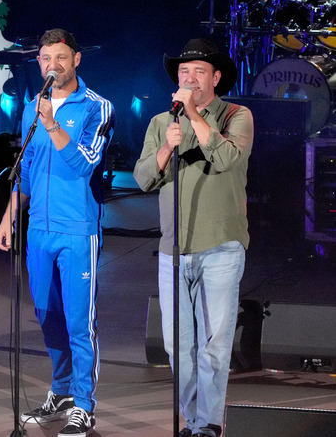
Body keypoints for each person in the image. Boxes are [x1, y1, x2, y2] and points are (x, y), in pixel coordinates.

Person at [0, 28, 114, 437]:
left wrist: (52, 124)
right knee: (47, 317)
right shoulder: (32, 107)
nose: (52, 66)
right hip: (39, 231)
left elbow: (84, 163)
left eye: (60, 57)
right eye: (45, 58)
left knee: (80, 323)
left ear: (76, 59)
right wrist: (9, 217)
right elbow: (25, 172)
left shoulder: (97, 107)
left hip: (78, 231)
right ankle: (61, 391)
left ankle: (84, 405)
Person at [133, 39, 253, 437]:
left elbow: (225, 158)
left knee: (215, 347)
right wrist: (167, 147)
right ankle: (194, 418)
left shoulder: (237, 115)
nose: (190, 78)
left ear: (216, 77)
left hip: (221, 248)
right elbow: (144, 178)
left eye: (198, 71)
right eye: (184, 72)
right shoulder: (159, 124)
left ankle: (208, 426)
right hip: (173, 250)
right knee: (178, 349)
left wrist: (194, 116)